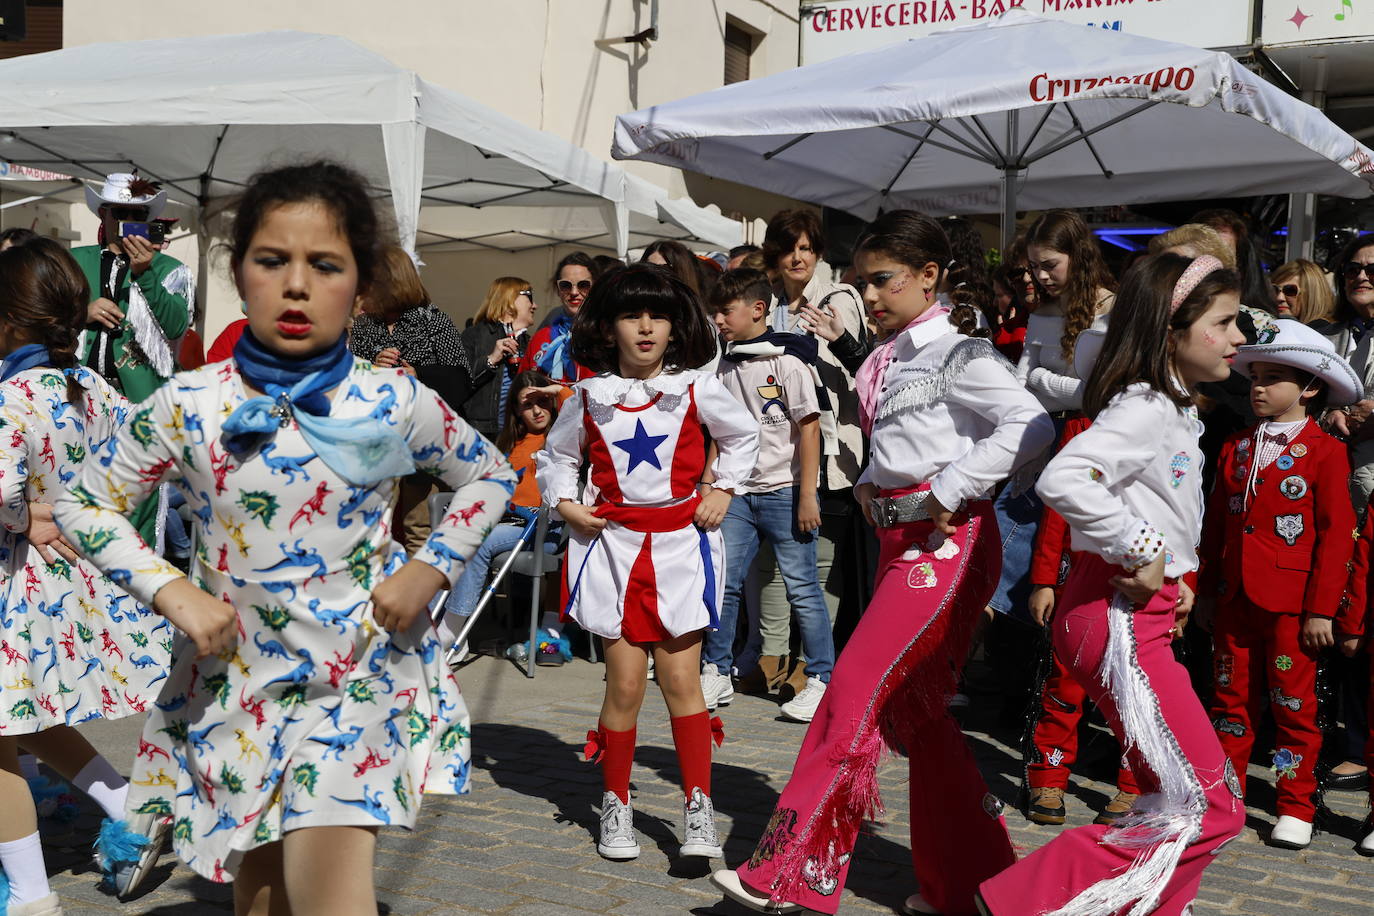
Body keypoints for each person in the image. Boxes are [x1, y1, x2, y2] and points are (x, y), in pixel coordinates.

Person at [53, 160, 516, 915]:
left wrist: (430, 567)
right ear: (240, 272)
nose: (296, 284)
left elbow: (490, 477)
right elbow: (83, 502)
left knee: (329, 888)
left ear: (361, 287)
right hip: (235, 686)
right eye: (273, 261)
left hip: (359, 680)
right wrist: (170, 590)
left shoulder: (391, 398)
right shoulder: (191, 403)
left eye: (324, 264)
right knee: (261, 888)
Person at [712, 211, 1054, 916]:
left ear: (930, 276)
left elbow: (1031, 424)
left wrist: (950, 488)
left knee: (853, 693)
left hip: (945, 546)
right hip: (901, 540)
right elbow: (896, 449)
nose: (868, 295)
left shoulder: (964, 353)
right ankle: (977, 886)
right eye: (861, 281)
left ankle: (786, 870)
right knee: (918, 720)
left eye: (883, 280)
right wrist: (871, 483)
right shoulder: (884, 359)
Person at [979, 253, 1249, 916]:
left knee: (1190, 801)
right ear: (1171, 330)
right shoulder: (1149, 406)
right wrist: (1144, 550)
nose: (1241, 337)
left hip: (1135, 615)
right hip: (1118, 618)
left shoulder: (1173, 408)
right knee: (1207, 807)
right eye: (1226, 321)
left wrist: (1175, 570)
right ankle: (1020, 898)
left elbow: (1158, 497)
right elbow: (1065, 479)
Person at [535, 263, 759, 864]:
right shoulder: (586, 396)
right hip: (611, 547)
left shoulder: (696, 388)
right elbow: (555, 459)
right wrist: (566, 506)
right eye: (632, 315)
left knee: (684, 682)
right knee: (626, 684)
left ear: (674, 325)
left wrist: (724, 490)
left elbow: (744, 437)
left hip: (682, 547)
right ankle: (615, 802)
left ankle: (698, 805)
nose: (645, 327)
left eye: (657, 315)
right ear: (607, 327)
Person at [0, 237, 176, 911]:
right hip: (71, 585)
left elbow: (3, 488)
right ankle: (130, 807)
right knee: (27, 721)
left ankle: (30, 896)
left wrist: (31, 514)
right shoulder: (91, 386)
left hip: (19, 583)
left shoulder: (12, 396)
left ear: (11, 320)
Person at [1197, 319, 1359, 850]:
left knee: (1294, 706)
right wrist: (1205, 588)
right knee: (1229, 701)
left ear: (1309, 387)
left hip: (1292, 606)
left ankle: (1295, 802)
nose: (1258, 388)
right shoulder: (1236, 445)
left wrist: (1320, 611)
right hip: (1233, 599)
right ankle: (1227, 796)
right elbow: (1216, 522)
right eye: (1254, 377)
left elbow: (1337, 538)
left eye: (1273, 378)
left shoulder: (1326, 451)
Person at [701, 268, 833, 724]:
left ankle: (820, 678)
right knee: (723, 580)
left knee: (802, 589)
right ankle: (716, 669)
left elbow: (809, 431)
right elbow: (718, 433)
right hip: (736, 492)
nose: (718, 319)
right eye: (714, 311)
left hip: (785, 491)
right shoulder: (724, 365)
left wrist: (807, 495)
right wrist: (709, 482)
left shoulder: (788, 362)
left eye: (725, 310)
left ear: (758, 310)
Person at [754, 209, 868, 698]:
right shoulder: (770, 303)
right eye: (788, 248)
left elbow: (866, 365)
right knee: (775, 558)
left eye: (806, 247)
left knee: (820, 561)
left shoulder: (838, 297)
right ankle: (769, 653)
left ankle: (813, 663)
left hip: (832, 450)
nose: (797, 257)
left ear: (819, 253)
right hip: (776, 448)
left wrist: (836, 337)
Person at [1024, 410, 1142, 828]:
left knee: (1133, 692)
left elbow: (1185, 515)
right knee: (1064, 683)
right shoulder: (1082, 426)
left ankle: (1134, 784)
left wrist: (1186, 585)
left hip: (1140, 578)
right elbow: (1058, 510)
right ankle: (1048, 776)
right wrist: (1044, 580)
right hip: (1079, 578)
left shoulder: (1173, 424)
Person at [441, 370, 567, 662]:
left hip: (543, 529)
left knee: (480, 542)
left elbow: (577, 406)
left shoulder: (563, 437)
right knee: (454, 538)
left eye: (542, 402)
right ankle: (437, 621)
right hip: (510, 524)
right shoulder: (509, 444)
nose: (536, 410)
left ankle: (452, 634)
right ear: (515, 410)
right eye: (527, 404)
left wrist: (553, 390)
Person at [73, 173, 193, 404]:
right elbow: (41, 316)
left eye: (138, 214)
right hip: (79, 394)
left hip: (139, 399)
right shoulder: (74, 260)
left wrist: (145, 273)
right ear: (102, 214)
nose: (129, 221)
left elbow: (177, 327)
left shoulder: (172, 269)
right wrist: (81, 314)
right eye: (119, 212)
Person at [348, 244, 468, 374]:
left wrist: (419, 375)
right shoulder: (364, 323)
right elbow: (350, 374)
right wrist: (373, 366)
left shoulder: (434, 321)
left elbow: (461, 376)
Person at [459, 277, 538, 443]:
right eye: (529, 297)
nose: (534, 305)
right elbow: (458, 383)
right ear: (510, 300)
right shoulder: (474, 335)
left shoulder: (530, 342)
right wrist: (492, 359)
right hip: (480, 435)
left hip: (517, 434)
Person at [519, 251, 598, 385]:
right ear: (557, 289)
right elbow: (522, 388)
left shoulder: (608, 338)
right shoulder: (540, 338)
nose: (574, 292)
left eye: (583, 285)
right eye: (566, 285)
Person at [1270, 258, 1335, 324]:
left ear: (1311, 295)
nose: (1279, 298)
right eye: (1275, 290)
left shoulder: (1327, 333)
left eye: (1290, 290)